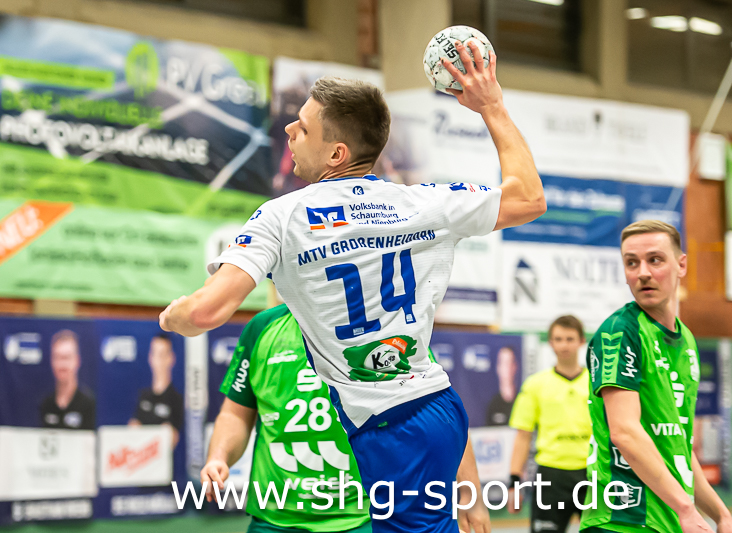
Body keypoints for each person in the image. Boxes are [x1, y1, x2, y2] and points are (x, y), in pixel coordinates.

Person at [161, 41, 545, 532]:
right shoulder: (423, 201)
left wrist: (173, 315)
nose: (289, 130)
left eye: (303, 127)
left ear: (336, 153)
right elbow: (529, 198)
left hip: (386, 427)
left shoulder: (282, 216)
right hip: (438, 408)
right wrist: (491, 105)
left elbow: (205, 313)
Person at [202, 304, 490, 533]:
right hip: (275, 518)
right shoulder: (262, 328)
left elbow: (435, 410)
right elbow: (235, 414)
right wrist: (218, 457)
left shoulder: (386, 326)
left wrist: (470, 495)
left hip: (364, 516)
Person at [580, 221, 732, 533]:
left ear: (681, 265)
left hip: (669, 519)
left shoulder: (687, 340)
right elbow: (625, 432)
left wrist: (721, 515)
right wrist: (685, 507)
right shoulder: (620, 332)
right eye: (631, 263)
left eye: (655, 260)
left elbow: (679, 446)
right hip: (623, 519)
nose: (643, 273)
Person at [506, 316, 592, 533]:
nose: (564, 345)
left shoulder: (597, 383)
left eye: (570, 339)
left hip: (592, 473)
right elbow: (523, 436)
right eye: (558, 339)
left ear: (581, 341)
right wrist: (514, 482)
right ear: (551, 342)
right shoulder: (535, 384)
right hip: (551, 476)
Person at [129, 334, 183, 448]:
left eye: (162, 355)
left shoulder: (176, 399)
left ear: (171, 358)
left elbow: (174, 438)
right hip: (142, 455)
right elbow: (133, 428)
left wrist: (167, 434)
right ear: (150, 358)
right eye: (155, 354)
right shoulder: (143, 396)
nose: (159, 360)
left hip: (164, 457)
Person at [40, 330, 95, 430]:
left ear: (77, 361)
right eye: (57, 357)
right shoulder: (46, 404)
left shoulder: (88, 403)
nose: (62, 364)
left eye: (66, 358)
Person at [485, 346, 519, 426]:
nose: (507, 368)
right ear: (498, 368)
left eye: (509, 363)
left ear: (515, 366)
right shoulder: (493, 404)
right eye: (503, 363)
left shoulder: (522, 400)